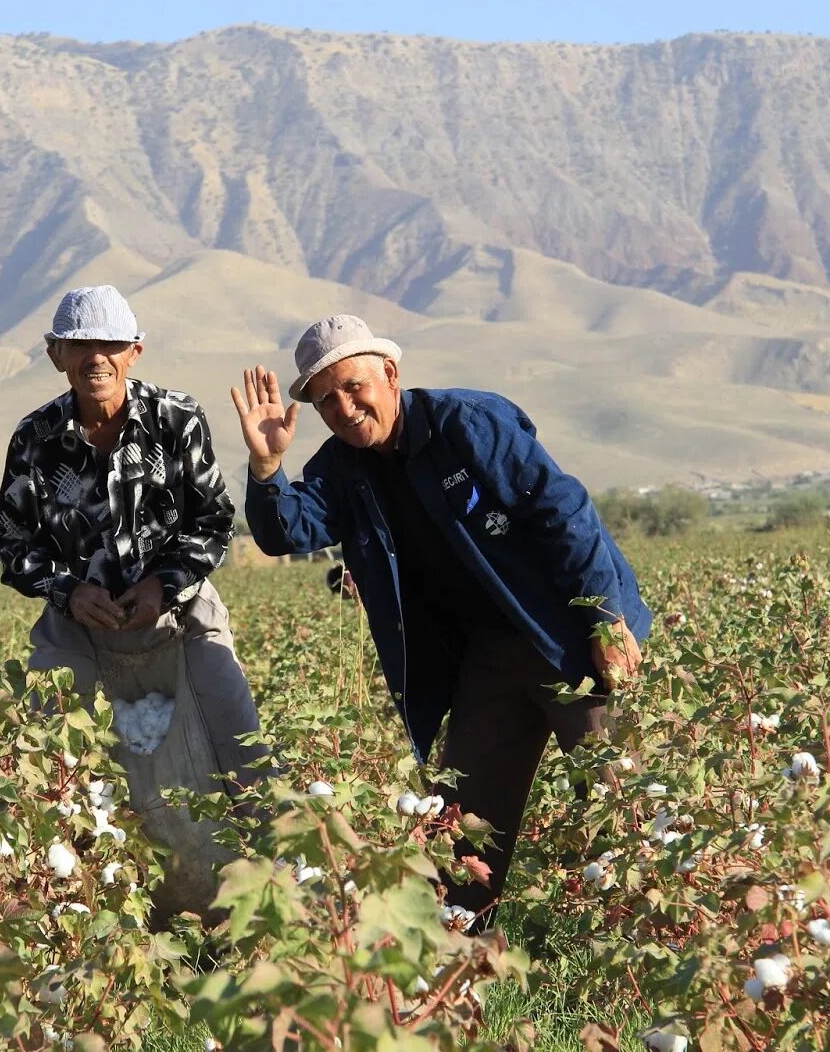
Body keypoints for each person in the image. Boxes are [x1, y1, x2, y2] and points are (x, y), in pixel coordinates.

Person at [231, 314, 651, 925]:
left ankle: (654, 942)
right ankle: (453, 977)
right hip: (485, 662)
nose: (345, 409)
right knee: (464, 836)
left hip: (564, 634)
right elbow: (285, 531)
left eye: (354, 387)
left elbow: (563, 510)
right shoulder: (340, 470)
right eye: (326, 400)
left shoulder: (470, 424)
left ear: (390, 374)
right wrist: (268, 469)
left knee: (623, 801)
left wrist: (605, 619)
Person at [0, 284, 269, 797]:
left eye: (112, 345)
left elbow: (213, 521)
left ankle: (273, 858)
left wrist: (163, 584)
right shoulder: (34, 439)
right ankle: (63, 870)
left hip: (179, 613)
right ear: (56, 354)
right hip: (77, 626)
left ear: (134, 352)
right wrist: (69, 591)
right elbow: (15, 545)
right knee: (49, 762)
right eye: (80, 345)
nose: (97, 358)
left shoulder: (177, 419)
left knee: (240, 748)